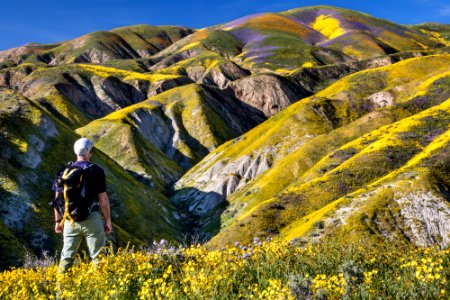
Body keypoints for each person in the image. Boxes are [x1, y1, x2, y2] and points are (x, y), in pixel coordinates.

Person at [52, 137, 112, 271]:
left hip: (69, 220)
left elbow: (57, 200)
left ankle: (60, 290)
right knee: (98, 257)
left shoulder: (63, 172)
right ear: (90, 152)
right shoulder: (96, 171)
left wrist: (58, 222)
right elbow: (103, 200)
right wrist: (108, 220)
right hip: (92, 218)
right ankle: (101, 290)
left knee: (66, 258)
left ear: (75, 152)